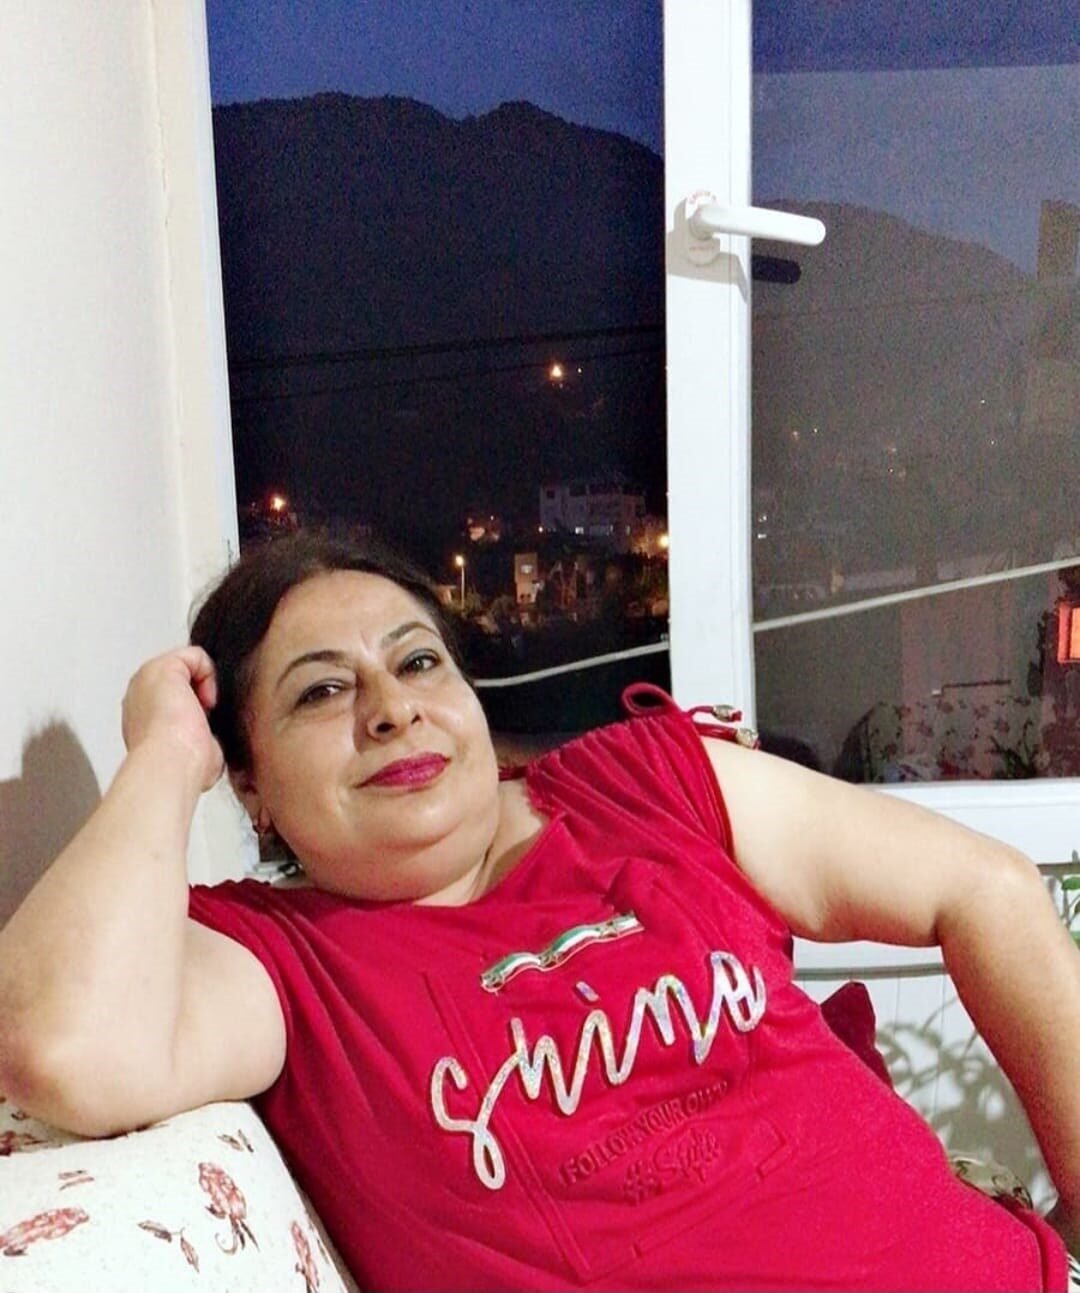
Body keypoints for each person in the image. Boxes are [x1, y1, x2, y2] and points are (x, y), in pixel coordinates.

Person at [1, 531, 1078, 1291]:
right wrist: (162, 755)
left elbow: (983, 889)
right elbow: (58, 1042)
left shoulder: (647, 785)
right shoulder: (284, 966)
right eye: (321, 691)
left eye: (418, 661)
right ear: (249, 783)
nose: (392, 708)